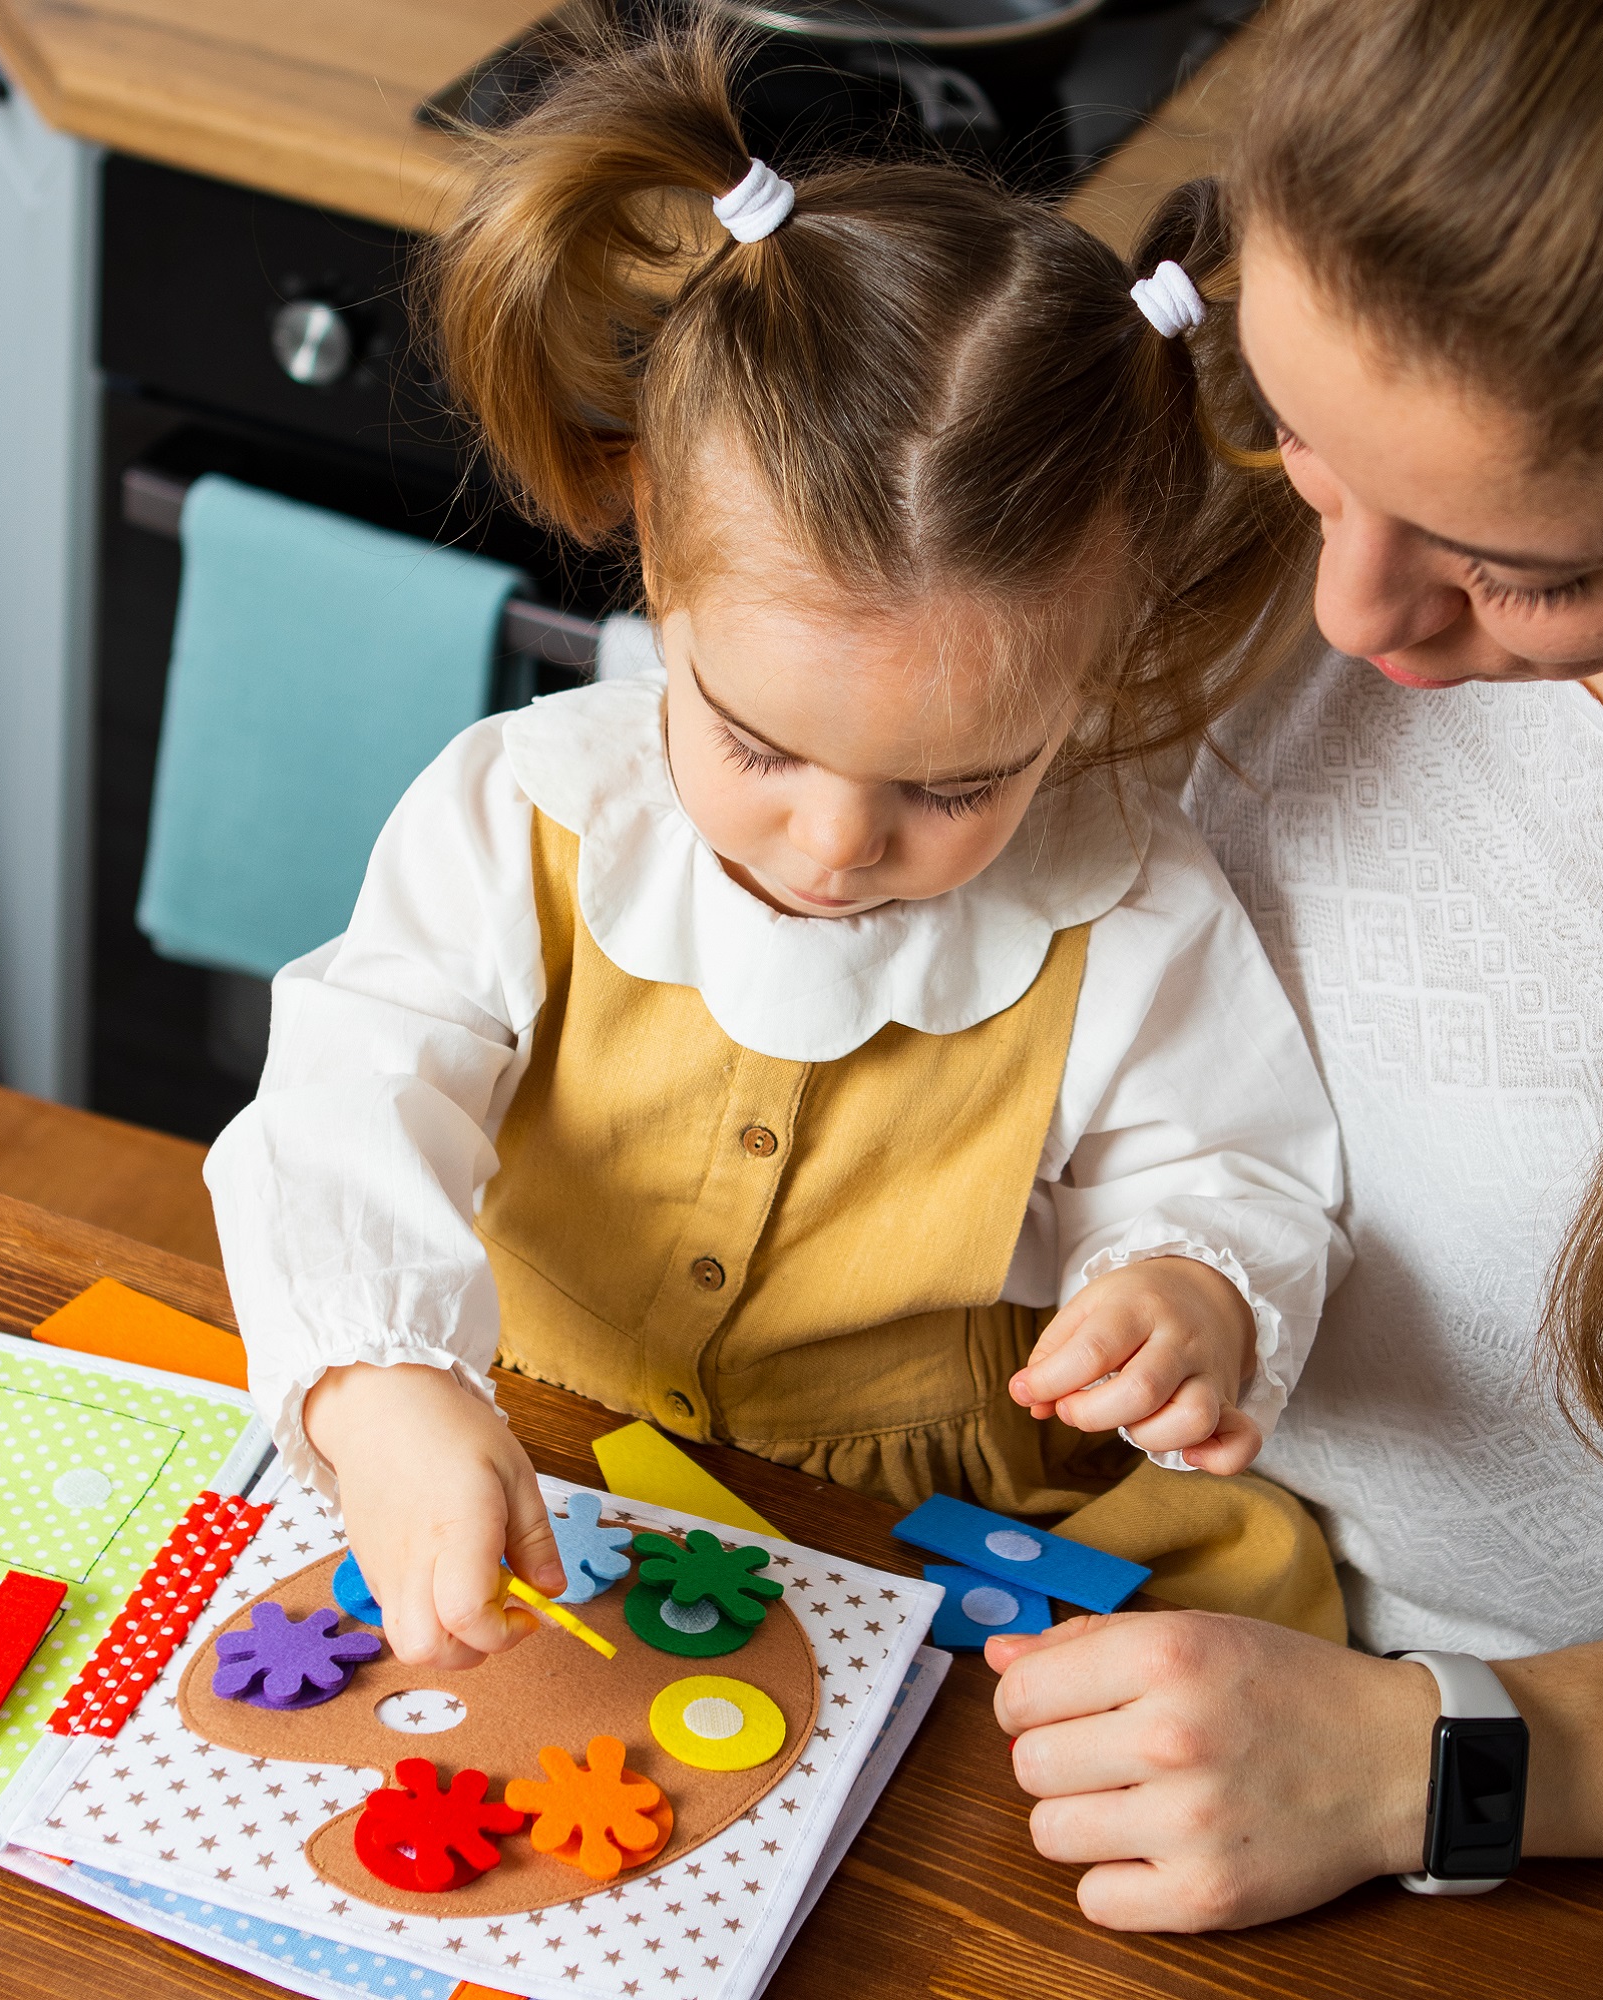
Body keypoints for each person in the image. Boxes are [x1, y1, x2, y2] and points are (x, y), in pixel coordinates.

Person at [984, 0, 1603, 1992]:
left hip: (1481, 1833)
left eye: (1516, 571)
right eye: (1296, 438)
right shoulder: (1169, 432)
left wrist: (1421, 1761)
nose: (1353, 621)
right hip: (954, 1573)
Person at [203, 29, 1348, 1674]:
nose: (835, 844)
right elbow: (343, 1099)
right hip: (532, 1456)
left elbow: (1229, 1171)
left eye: (957, 788)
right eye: (755, 743)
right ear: (657, 552)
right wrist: (382, 1382)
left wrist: (1187, 1294)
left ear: (1091, 675)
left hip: (912, 1549)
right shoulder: (522, 814)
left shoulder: (1131, 906)